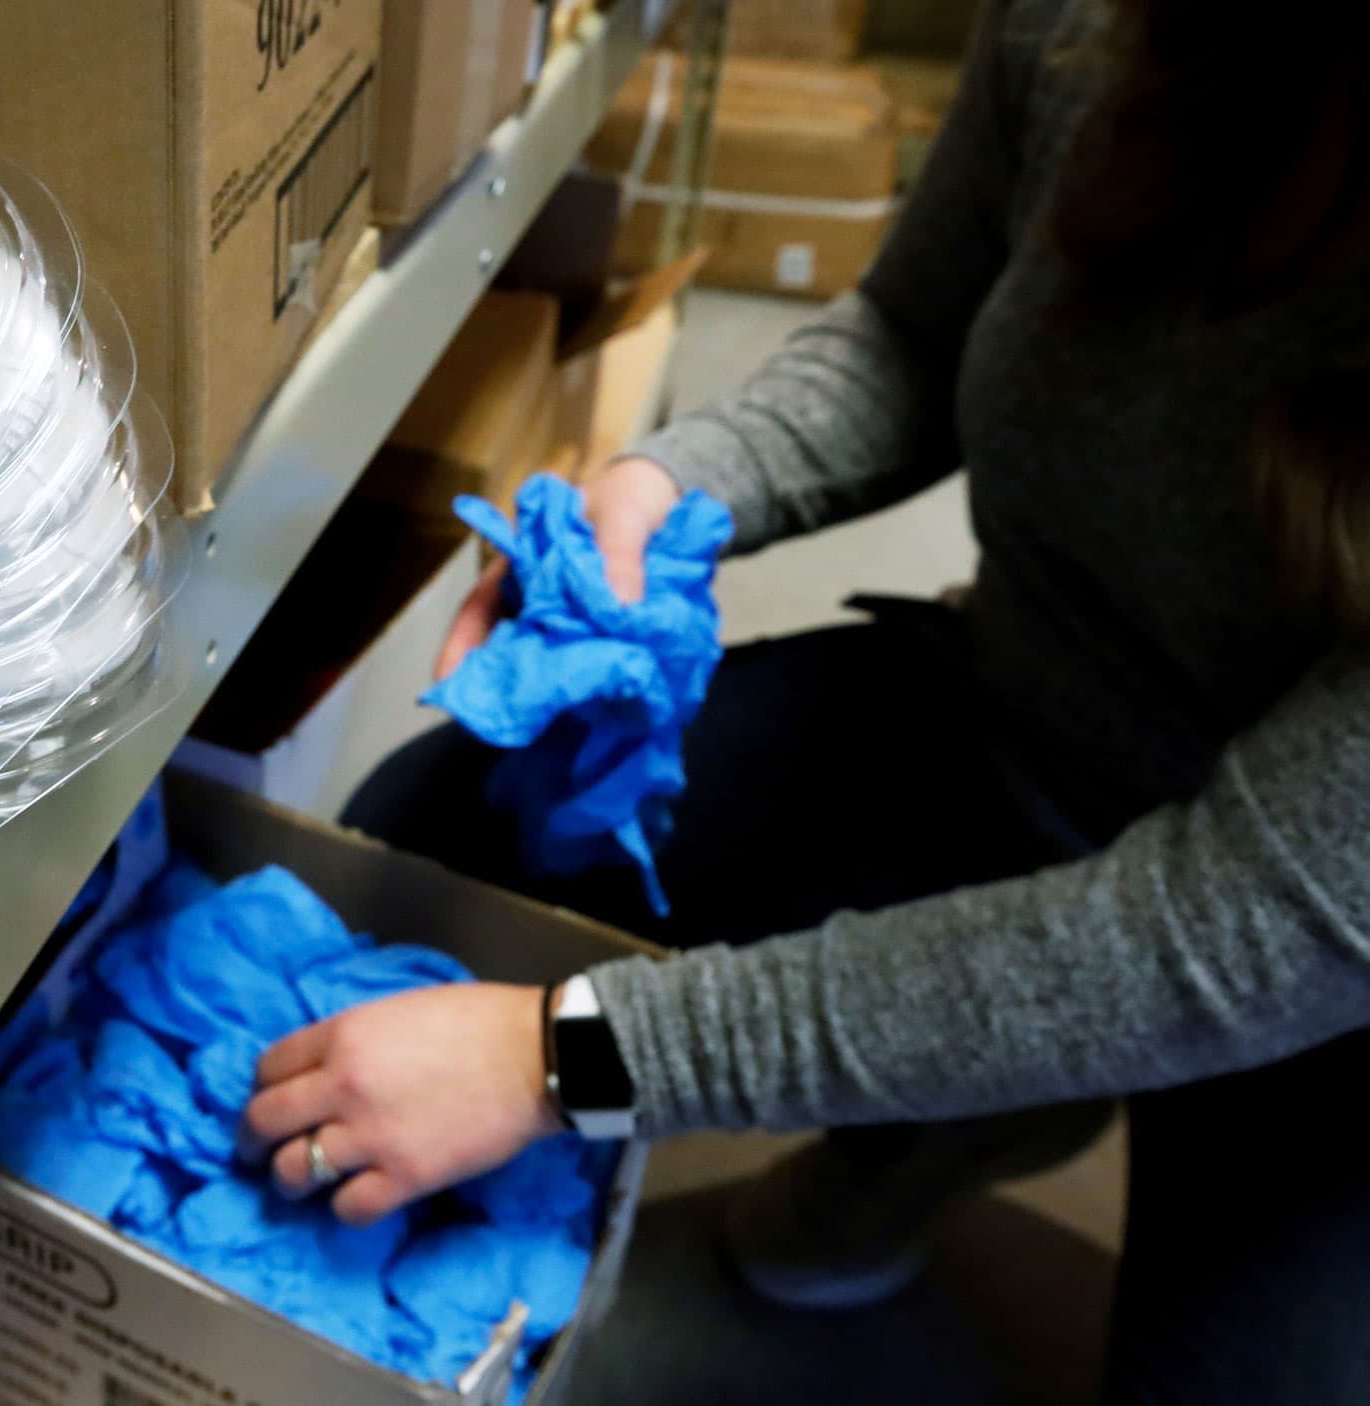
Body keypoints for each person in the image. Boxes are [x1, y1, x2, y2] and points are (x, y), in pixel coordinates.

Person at [238, 0, 1370, 1399]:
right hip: (1020, 722)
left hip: (1324, 978)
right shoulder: (1100, 29)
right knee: (432, 835)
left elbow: (1213, 940)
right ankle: (966, 1103)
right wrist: (664, 491)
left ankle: (980, 1088)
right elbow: (907, 334)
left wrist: (565, 1056)